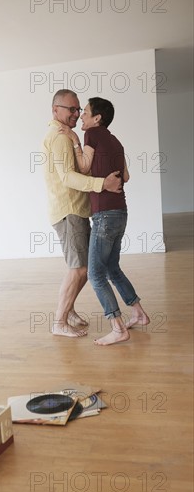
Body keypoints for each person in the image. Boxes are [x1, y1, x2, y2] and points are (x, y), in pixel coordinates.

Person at [60, 97, 150, 345]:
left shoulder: (93, 135)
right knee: (112, 268)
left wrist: (75, 141)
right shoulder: (115, 140)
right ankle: (139, 314)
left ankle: (118, 327)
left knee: (96, 274)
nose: (81, 117)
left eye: (85, 113)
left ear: (97, 118)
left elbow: (85, 167)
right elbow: (126, 177)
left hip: (104, 215)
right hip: (121, 211)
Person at [43, 89, 122, 338]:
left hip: (76, 209)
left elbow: (81, 169)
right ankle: (59, 321)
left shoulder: (69, 136)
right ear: (56, 110)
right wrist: (102, 184)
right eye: (71, 109)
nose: (76, 114)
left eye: (79, 110)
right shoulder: (59, 137)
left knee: (85, 267)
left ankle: (69, 311)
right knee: (78, 269)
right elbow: (68, 177)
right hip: (69, 210)